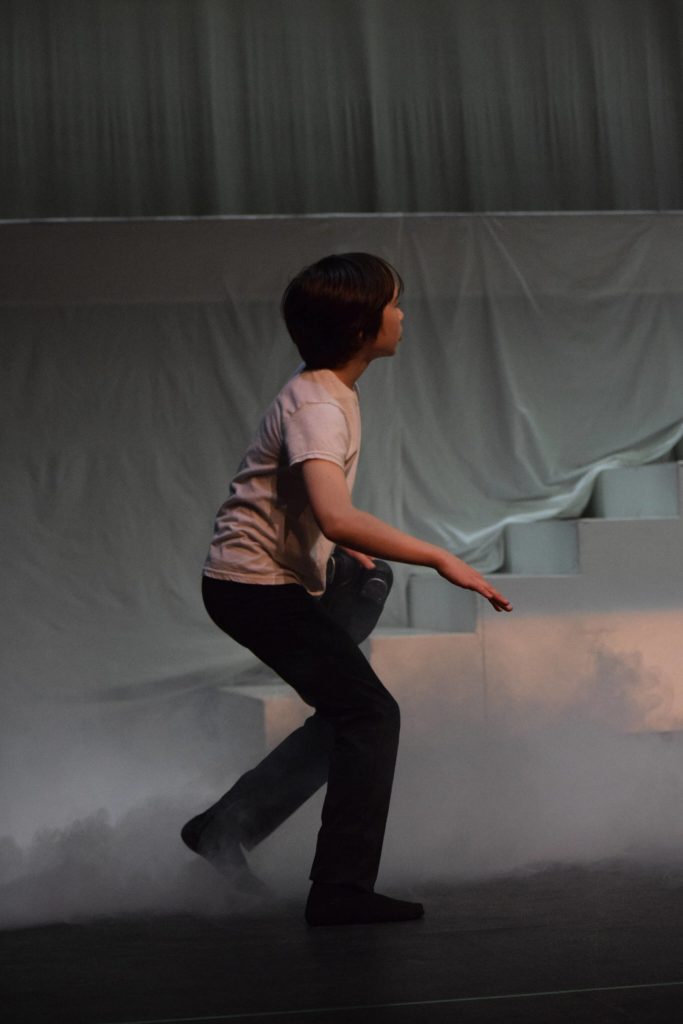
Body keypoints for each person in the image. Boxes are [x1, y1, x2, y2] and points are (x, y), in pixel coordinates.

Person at [181, 252, 512, 927]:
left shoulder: (326, 391)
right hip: (252, 588)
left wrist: (342, 545)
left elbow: (303, 501)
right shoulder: (319, 407)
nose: (401, 315)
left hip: (272, 581)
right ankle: (338, 890)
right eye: (393, 304)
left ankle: (225, 827)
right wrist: (441, 558)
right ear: (363, 327)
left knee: (351, 687)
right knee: (369, 714)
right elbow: (333, 511)